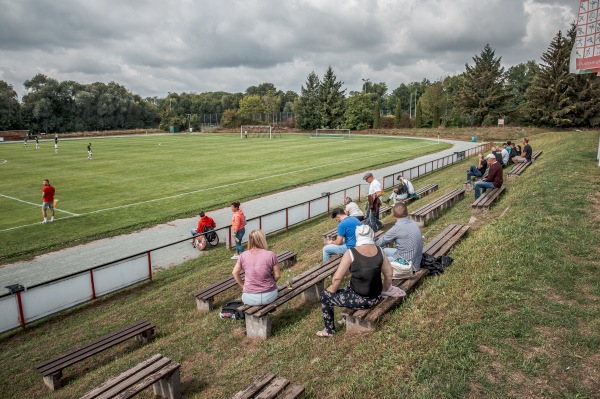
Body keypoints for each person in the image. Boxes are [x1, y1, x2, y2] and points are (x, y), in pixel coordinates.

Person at [317, 225, 393, 337]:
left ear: (357, 237)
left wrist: (332, 289)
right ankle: (344, 318)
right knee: (350, 284)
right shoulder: (380, 250)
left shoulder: (351, 252)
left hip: (361, 300)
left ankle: (329, 331)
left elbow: (337, 278)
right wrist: (384, 290)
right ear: (371, 235)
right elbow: (389, 275)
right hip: (377, 296)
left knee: (325, 295)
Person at [232, 229, 280, 306]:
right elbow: (277, 275)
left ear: (250, 241)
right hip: (269, 296)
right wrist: (271, 282)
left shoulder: (243, 255)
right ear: (263, 240)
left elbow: (235, 273)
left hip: (250, 297)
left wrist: (243, 286)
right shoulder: (271, 254)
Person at [375, 201, 423, 269]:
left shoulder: (396, 229)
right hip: (417, 262)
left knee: (378, 259)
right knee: (384, 250)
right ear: (407, 212)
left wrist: (371, 242)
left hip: (406, 265)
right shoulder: (413, 223)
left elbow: (380, 242)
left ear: (393, 214)